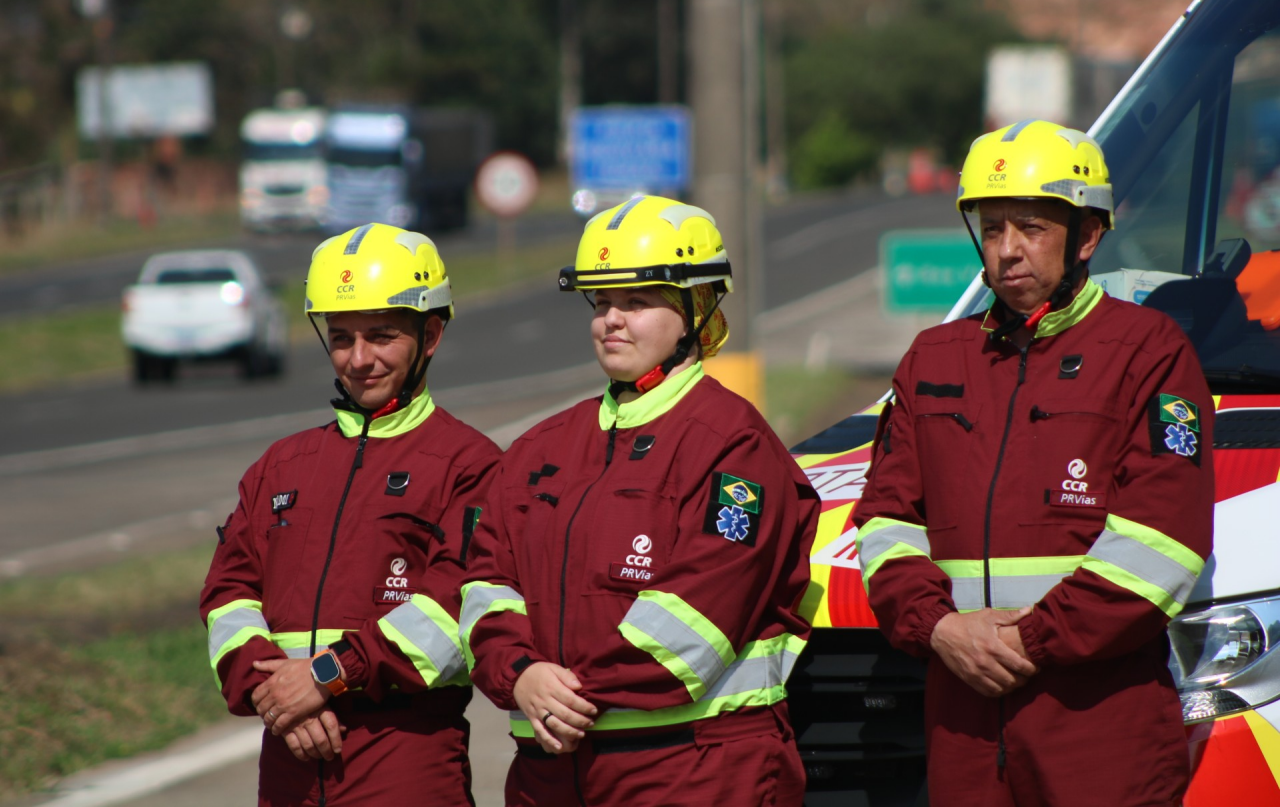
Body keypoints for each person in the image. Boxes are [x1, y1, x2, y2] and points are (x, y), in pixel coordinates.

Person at [854, 120, 1214, 806]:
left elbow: (1162, 541)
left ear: (1087, 235)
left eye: (1031, 227)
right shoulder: (932, 360)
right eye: (992, 230)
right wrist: (938, 627)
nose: (1007, 250)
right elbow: (883, 522)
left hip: (1100, 730)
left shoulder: (1150, 351)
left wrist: (1028, 641)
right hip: (960, 725)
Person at [460, 195, 820, 806]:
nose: (611, 321)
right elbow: (484, 584)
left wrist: (562, 694)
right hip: (550, 776)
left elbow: (695, 623)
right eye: (601, 302)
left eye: (636, 302)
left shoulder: (736, 446)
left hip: (694, 771)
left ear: (696, 310)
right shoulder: (541, 447)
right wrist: (518, 674)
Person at [200, 222, 500, 807]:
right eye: (341, 338)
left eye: (381, 336)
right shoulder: (281, 465)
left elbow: (451, 616)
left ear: (430, 335)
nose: (359, 359)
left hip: (405, 762)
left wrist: (324, 677)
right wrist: (276, 694)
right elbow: (227, 597)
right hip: (287, 756)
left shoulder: (472, 465)